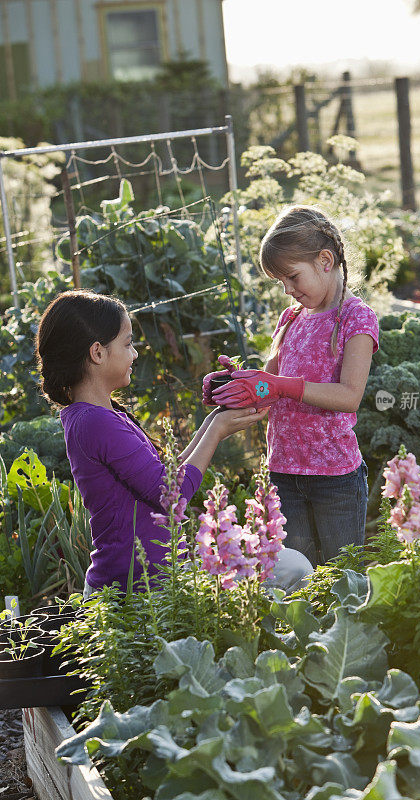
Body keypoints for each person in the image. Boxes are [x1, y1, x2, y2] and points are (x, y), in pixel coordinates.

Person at [36, 290, 271, 600]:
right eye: (128, 343)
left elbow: (164, 477)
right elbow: (172, 494)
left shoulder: (101, 416)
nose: (135, 354)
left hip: (144, 583)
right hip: (132, 592)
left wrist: (215, 421)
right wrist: (215, 431)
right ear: (97, 352)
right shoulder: (95, 422)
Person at [204, 206, 379, 567]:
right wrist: (236, 386)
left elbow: (349, 396)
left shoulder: (355, 317)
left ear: (325, 261)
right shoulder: (291, 318)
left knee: (341, 577)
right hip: (283, 472)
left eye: (293, 277)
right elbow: (269, 391)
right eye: (280, 282)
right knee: (294, 577)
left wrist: (281, 385)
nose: (288, 290)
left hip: (336, 479)